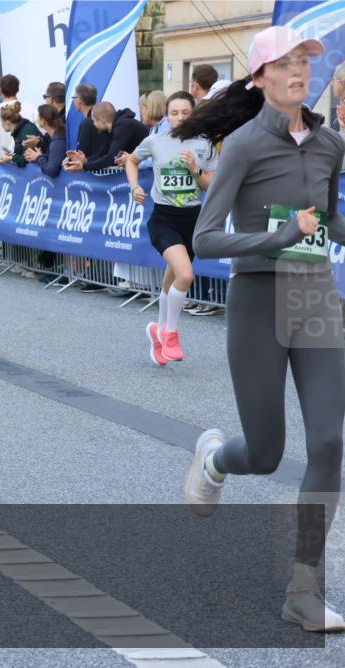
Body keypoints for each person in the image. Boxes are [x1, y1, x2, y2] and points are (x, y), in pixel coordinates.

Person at [176, 26, 345, 632]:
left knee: (329, 443)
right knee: (267, 453)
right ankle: (217, 458)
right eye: (286, 63)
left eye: (305, 62)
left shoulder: (329, 143)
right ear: (261, 78)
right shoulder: (244, 145)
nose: (299, 71)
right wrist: (280, 236)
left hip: (318, 299)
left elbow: (328, 218)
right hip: (257, 301)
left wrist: (330, 227)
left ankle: (304, 589)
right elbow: (207, 238)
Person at [125, 91, 216, 366]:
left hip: (192, 218)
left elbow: (210, 185)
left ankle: (157, 329)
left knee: (172, 276)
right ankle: (170, 332)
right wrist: (135, 187)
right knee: (185, 275)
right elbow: (131, 160)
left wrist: (195, 169)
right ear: (167, 115)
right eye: (174, 113)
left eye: (185, 112)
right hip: (163, 218)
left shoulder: (205, 144)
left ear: (194, 113)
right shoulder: (155, 141)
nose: (179, 118)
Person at [64, 101, 148, 172]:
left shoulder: (123, 126)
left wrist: (84, 167)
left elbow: (112, 158)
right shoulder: (111, 130)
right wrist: (85, 161)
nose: (93, 124)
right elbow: (103, 153)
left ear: (102, 120)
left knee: (161, 191)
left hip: (154, 169)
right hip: (152, 168)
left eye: (94, 121)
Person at [24, 104, 67, 177]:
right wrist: (34, 156)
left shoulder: (58, 141)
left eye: (38, 116)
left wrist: (38, 157)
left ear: (43, 121)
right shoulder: (55, 137)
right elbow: (53, 158)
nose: (36, 119)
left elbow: (52, 171)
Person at [0, 103, 40, 167]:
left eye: (1, 122)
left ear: (7, 122)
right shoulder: (19, 131)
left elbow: (27, 158)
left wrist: (11, 158)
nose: (1, 124)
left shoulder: (27, 130)